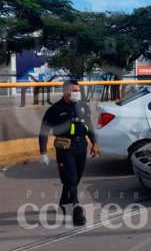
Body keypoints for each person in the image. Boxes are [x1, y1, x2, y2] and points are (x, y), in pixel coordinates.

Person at [39, 79, 100, 226]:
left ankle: (63, 202)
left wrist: (95, 143)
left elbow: (89, 125)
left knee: (75, 179)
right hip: (65, 148)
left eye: (78, 90)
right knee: (71, 179)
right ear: (65, 92)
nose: (77, 93)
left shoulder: (83, 106)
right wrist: (43, 152)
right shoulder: (55, 110)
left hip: (81, 146)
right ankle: (77, 211)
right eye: (74, 91)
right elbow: (44, 132)